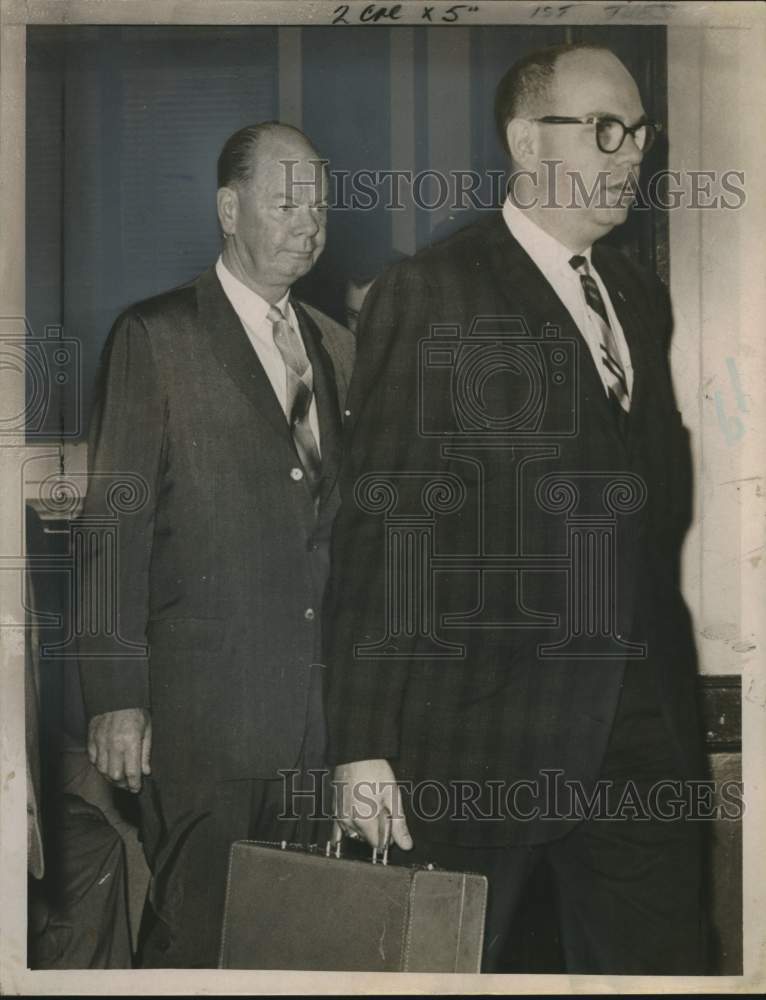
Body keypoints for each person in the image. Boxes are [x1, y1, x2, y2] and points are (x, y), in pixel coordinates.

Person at [325, 44, 706, 974]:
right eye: (605, 129)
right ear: (527, 142)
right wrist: (362, 747)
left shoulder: (637, 296)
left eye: (640, 131)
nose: (632, 152)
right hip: (483, 740)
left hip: (642, 736)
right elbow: (386, 528)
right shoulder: (437, 290)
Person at [78, 122, 354, 968]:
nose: (309, 222)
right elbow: (112, 526)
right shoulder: (156, 336)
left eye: (319, 204)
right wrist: (114, 696)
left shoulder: (336, 347)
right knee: (195, 948)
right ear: (229, 210)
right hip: (205, 726)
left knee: (300, 951)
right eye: (286, 201)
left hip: (318, 729)